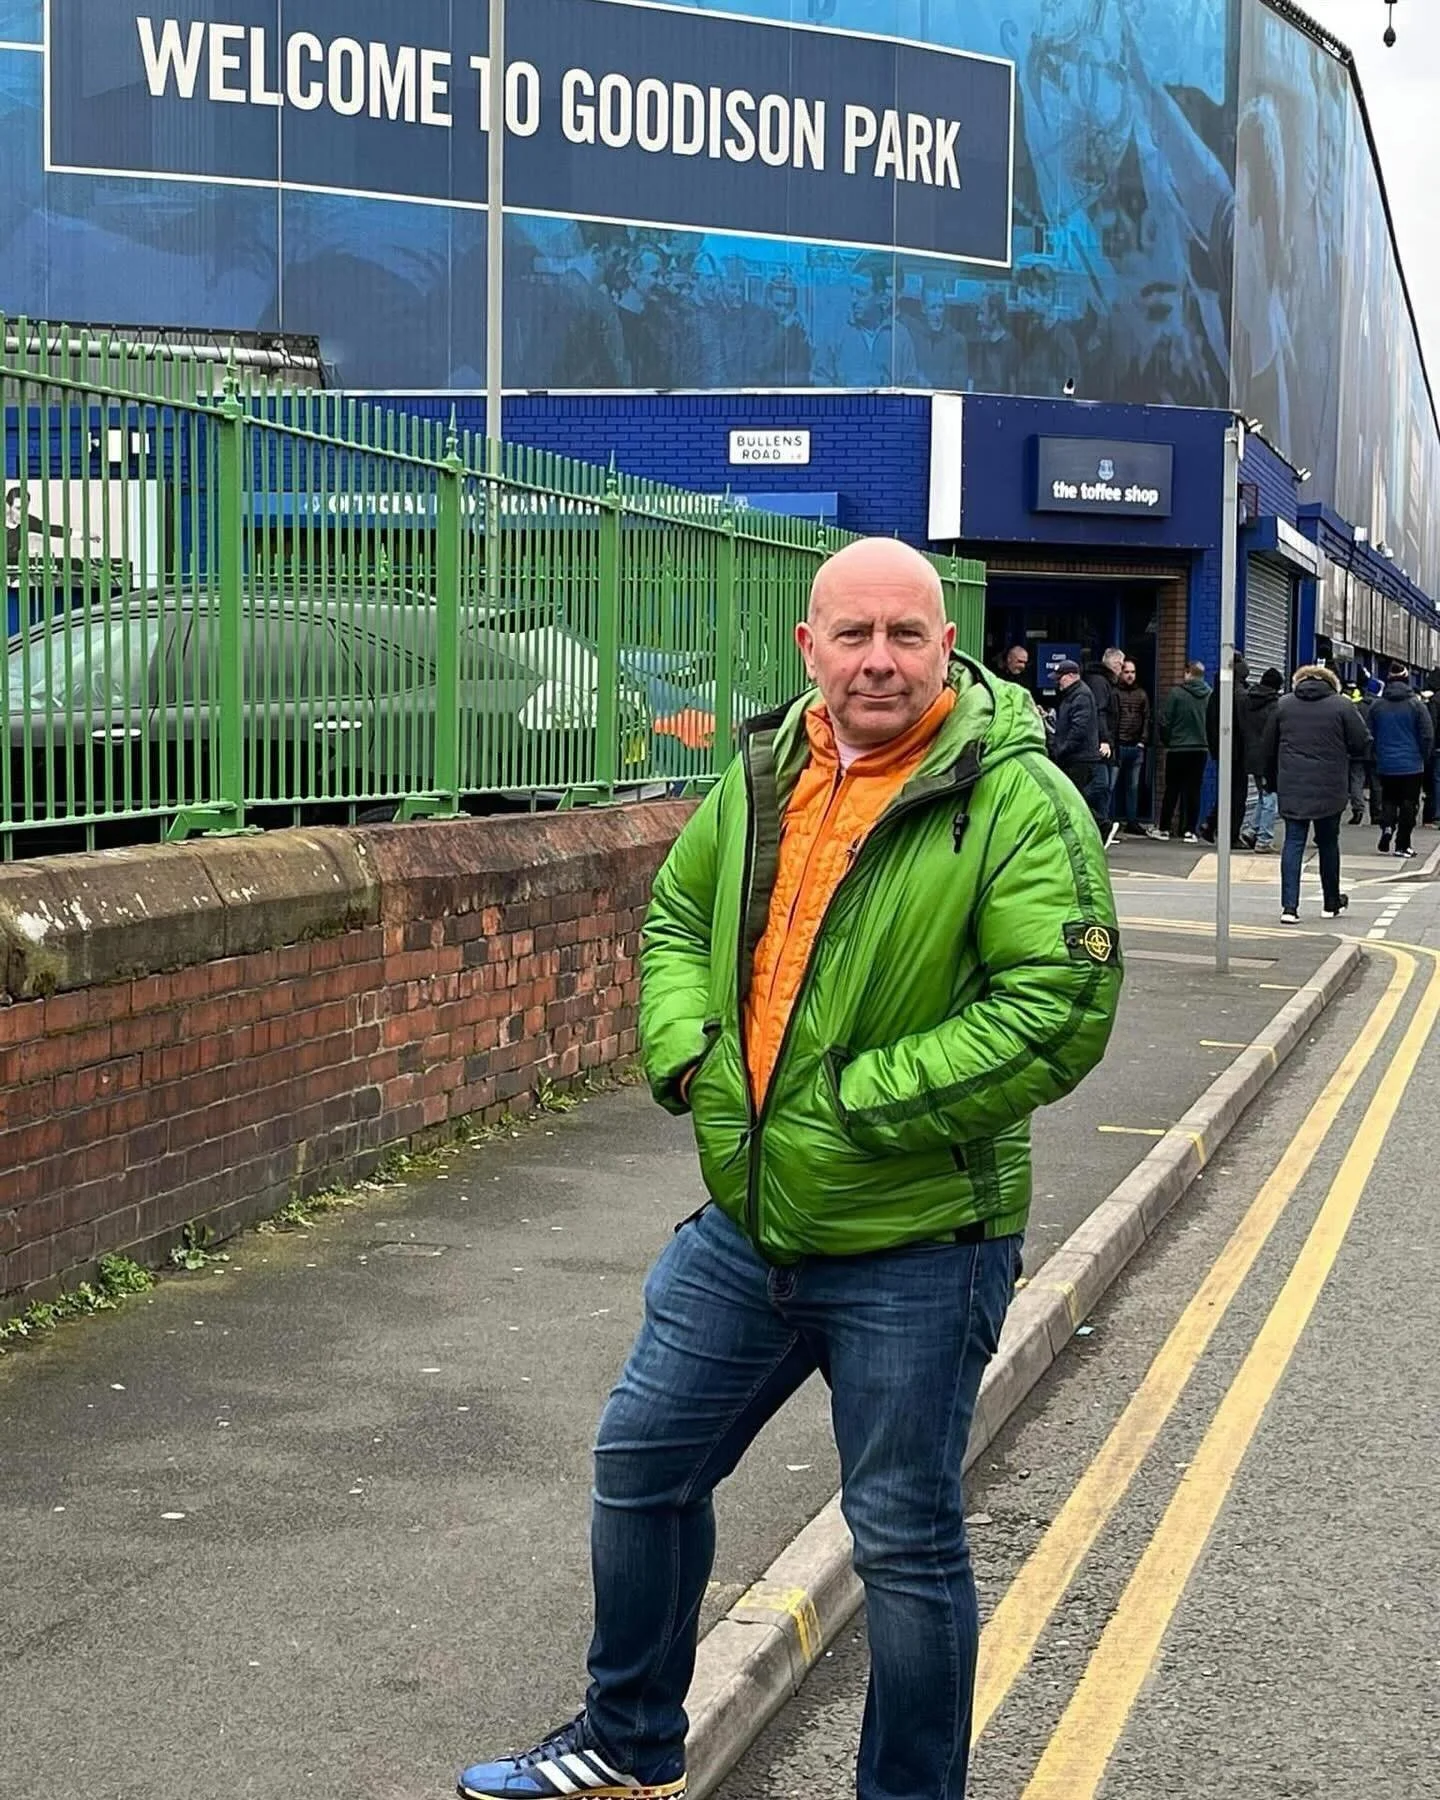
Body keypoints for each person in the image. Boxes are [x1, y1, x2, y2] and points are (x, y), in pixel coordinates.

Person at [457, 537, 1122, 1800]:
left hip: (921, 1241)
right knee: (644, 1467)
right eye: (854, 635)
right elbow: (677, 919)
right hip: (748, 1229)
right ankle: (628, 1739)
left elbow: (1059, 1005)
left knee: (905, 1542)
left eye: (905, 636)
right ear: (808, 648)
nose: (879, 660)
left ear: (946, 648)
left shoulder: (1016, 798)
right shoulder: (764, 773)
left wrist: (846, 1104)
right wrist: (689, 1057)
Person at [1262, 663, 1372, 924]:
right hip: (1330, 786)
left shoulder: (1283, 705)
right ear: (1331, 683)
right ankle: (1330, 903)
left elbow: (1267, 746)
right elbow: (1361, 741)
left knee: (1293, 843)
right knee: (1328, 843)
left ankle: (1289, 908)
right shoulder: (1343, 705)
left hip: (1292, 784)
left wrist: (1272, 781)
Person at [1369, 662, 1435, 859]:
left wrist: (1375, 755)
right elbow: (1427, 734)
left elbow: (1368, 733)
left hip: (1386, 762)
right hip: (1411, 763)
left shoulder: (1377, 705)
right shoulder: (1416, 704)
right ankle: (1402, 844)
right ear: (1407, 680)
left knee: (1389, 798)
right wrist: (1424, 755)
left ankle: (1387, 826)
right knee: (1409, 804)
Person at [1149, 662, 1211, 842]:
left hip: (1178, 748)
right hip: (1200, 749)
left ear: (1188, 673)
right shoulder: (1210, 695)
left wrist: (1168, 740)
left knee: (1172, 789)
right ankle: (1190, 830)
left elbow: (1165, 721)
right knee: (1194, 790)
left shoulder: (1176, 694)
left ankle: (1164, 828)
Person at [1199, 656, 1251, 846]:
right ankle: (1231, 834)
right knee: (1238, 795)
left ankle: (1211, 824)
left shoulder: (1217, 693)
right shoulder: (1236, 693)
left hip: (1224, 749)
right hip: (1237, 750)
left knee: (1228, 792)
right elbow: (1245, 723)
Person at [1052, 659, 1109, 830]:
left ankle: (1102, 825)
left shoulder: (1081, 695)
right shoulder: (1073, 694)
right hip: (1076, 756)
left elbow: (1079, 728)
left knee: (1072, 798)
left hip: (1079, 758)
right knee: (1072, 797)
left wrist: (1061, 749)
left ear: (1071, 676)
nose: (1057, 681)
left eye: (1059, 677)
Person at [1239, 668, 1283, 851]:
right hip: (1269, 756)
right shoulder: (1275, 705)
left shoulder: (1246, 700)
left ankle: (1251, 830)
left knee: (1263, 795)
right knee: (1270, 797)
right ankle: (1264, 839)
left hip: (1250, 754)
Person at [1083, 648, 1124, 843]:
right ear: (1114, 664)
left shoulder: (1101, 681)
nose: (1121, 670)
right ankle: (1098, 825)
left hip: (1106, 743)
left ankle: (1101, 828)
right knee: (1100, 786)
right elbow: (1099, 712)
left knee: (1104, 788)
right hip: (1100, 745)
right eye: (1121, 665)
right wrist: (1104, 740)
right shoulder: (1100, 683)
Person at [1113, 657, 1151, 835]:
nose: (1130, 675)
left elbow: (1147, 719)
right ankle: (1107, 820)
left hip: (1135, 746)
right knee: (1110, 785)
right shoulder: (1114, 693)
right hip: (1119, 745)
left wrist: (1143, 741)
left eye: (1132, 672)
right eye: (1126, 672)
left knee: (1133, 787)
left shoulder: (1142, 694)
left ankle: (1131, 820)